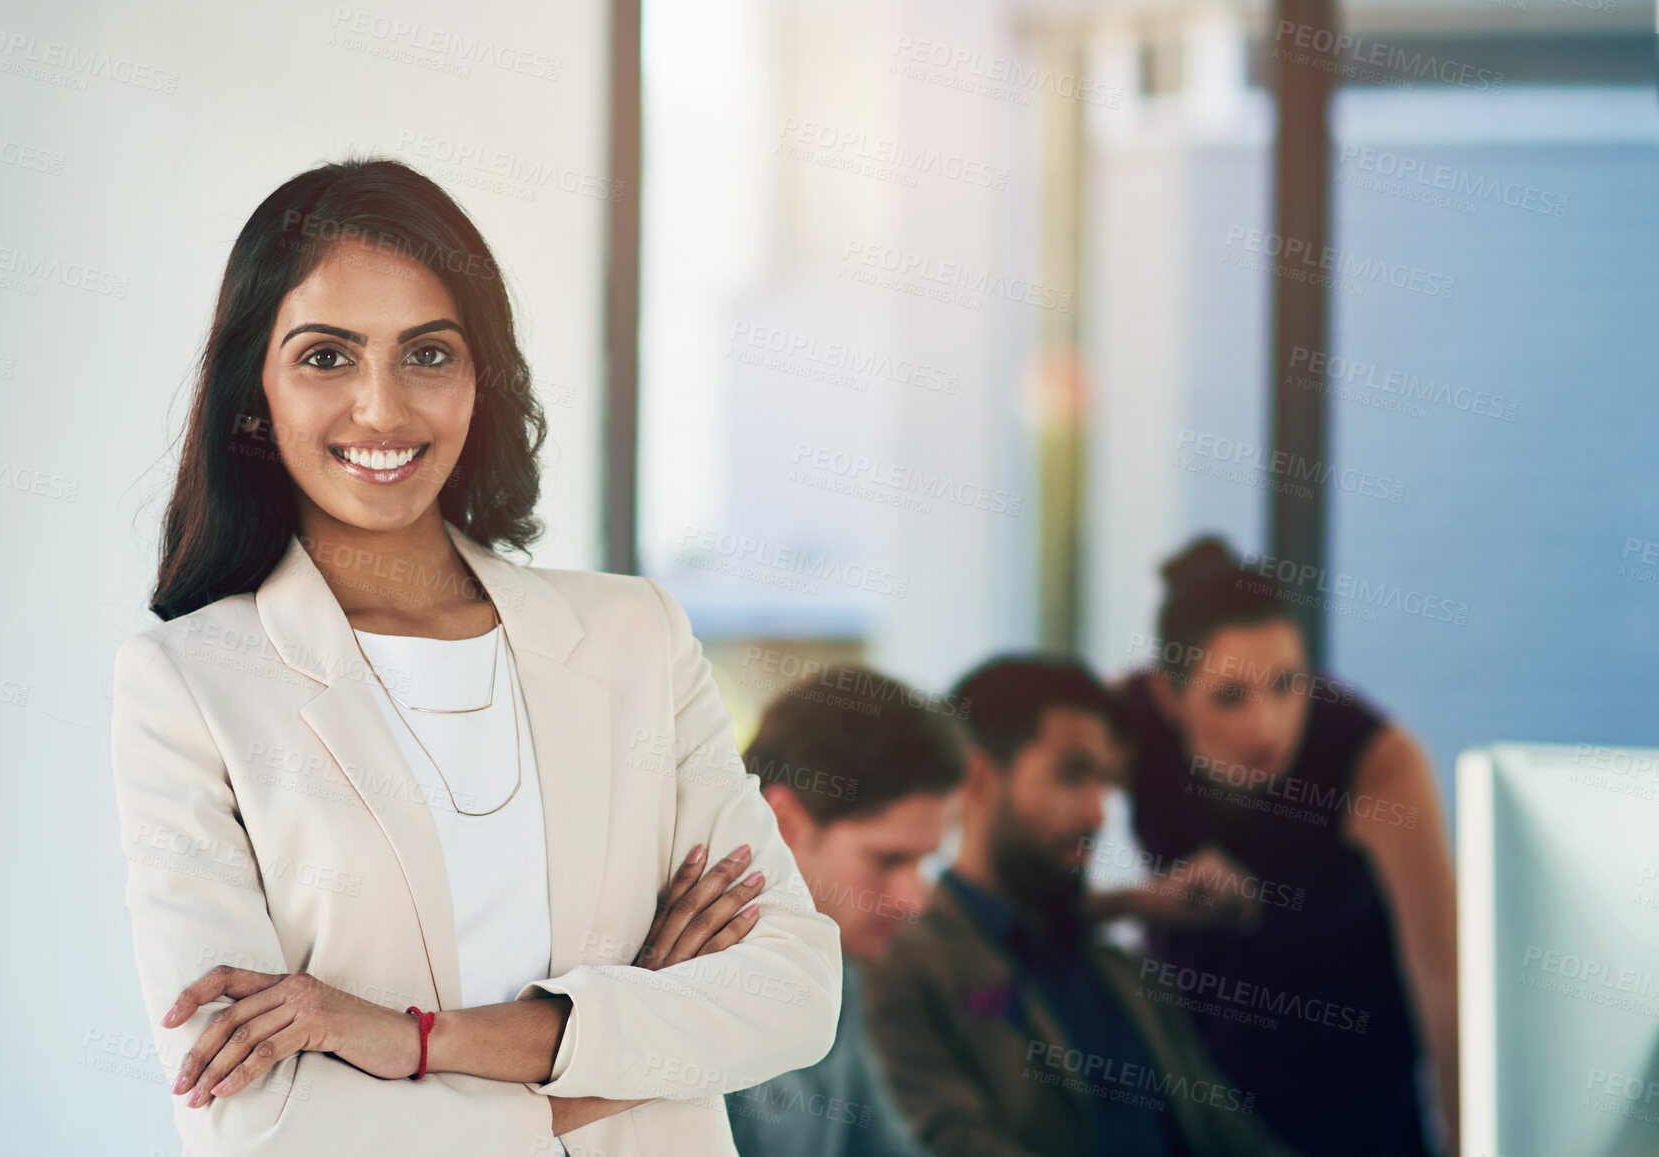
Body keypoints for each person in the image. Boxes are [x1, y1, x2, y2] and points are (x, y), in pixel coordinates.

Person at [110, 157, 842, 1157]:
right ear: (254, 394)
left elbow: (793, 991)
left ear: (479, 380)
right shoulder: (189, 687)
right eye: (326, 357)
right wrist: (626, 1044)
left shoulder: (634, 636)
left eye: (428, 354)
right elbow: (255, 1117)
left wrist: (414, 1041)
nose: (381, 409)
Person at [1106, 535, 1458, 1157]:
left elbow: (1446, 994)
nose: (1266, 724)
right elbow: (1017, 860)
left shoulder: (1376, 761)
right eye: (1231, 696)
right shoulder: (1126, 724)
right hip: (1194, 1100)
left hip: (1354, 1111)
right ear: (1169, 696)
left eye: (1288, 684)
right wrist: (1141, 900)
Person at [862, 657, 1298, 1157]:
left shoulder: (1124, 975)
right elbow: (953, 1141)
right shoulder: (907, 968)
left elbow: (1237, 1140)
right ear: (977, 777)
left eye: (1105, 784)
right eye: (1072, 775)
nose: (1097, 813)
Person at [724, 668, 963, 1157]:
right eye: (888, 859)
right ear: (785, 822)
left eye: (924, 861)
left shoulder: (834, 967)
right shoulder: (690, 975)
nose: (913, 900)